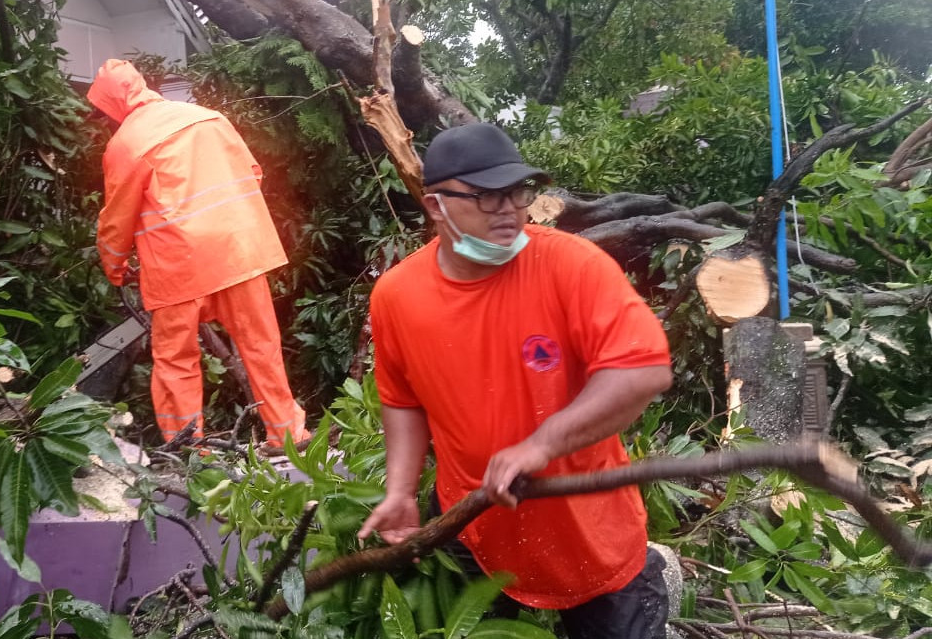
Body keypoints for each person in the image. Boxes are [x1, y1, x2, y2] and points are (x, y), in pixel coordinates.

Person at [357, 122, 674, 638]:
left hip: (585, 518)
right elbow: (402, 399)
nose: (509, 208)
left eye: (518, 192)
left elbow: (642, 369)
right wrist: (400, 489)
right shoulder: (397, 295)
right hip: (474, 520)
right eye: (486, 196)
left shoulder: (569, 265)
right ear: (436, 205)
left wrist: (541, 444)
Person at [85, 59, 309, 449]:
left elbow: (117, 219)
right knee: (262, 346)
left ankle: (189, 447)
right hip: (241, 251)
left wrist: (114, 266)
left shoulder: (127, 143)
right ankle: (287, 433)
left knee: (176, 359)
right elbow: (253, 173)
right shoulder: (208, 118)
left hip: (179, 266)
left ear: (112, 102)